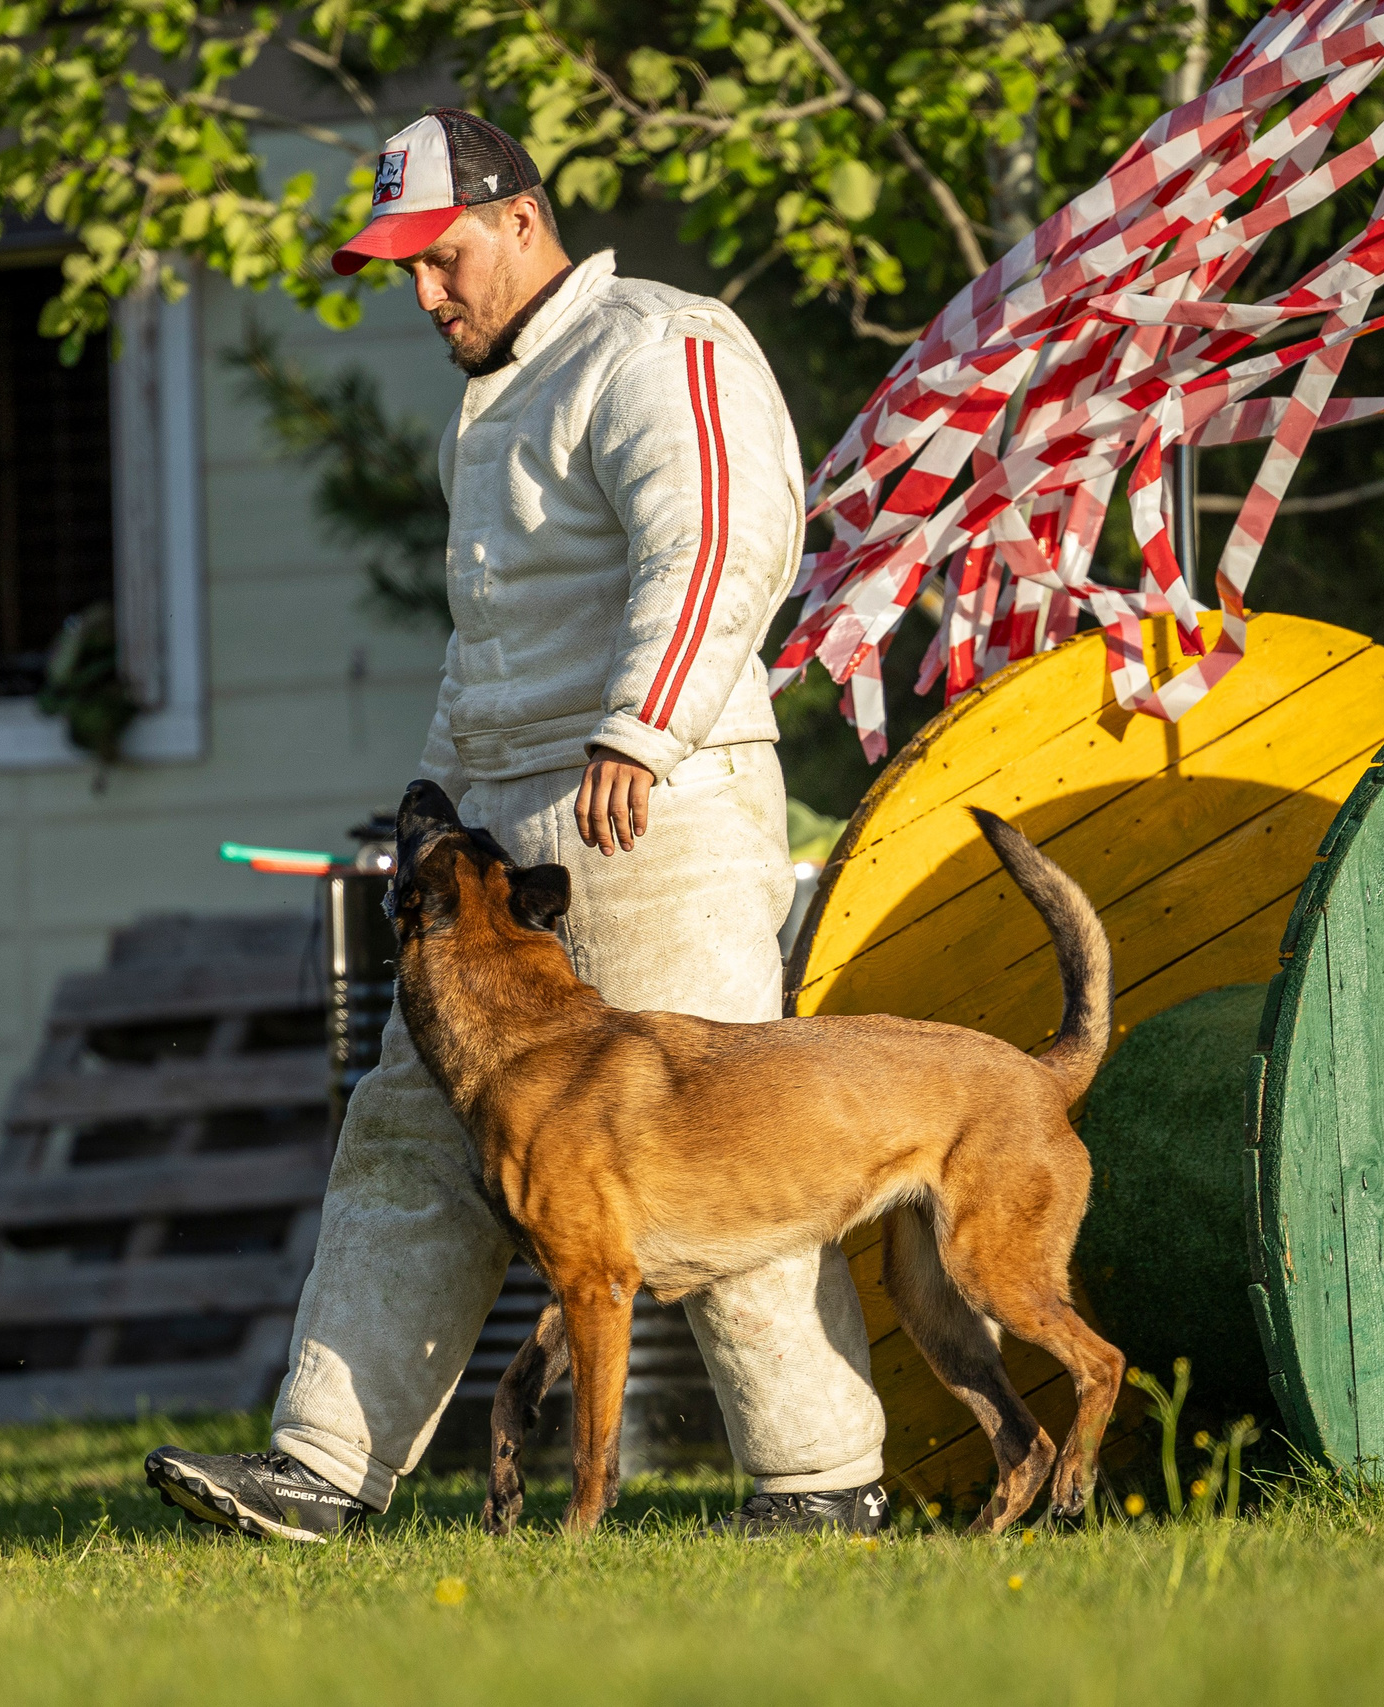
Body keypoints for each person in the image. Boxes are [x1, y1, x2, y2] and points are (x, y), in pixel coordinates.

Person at [147, 109, 889, 1539]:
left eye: (443, 258)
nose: (425, 295)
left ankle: (819, 1479)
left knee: (718, 1147)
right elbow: (484, 648)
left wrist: (641, 721)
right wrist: (431, 802)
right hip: (511, 830)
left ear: (524, 218)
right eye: (405, 271)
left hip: (652, 805)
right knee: (411, 1129)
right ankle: (320, 1467)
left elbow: (729, 531)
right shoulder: (496, 402)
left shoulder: (662, 344)